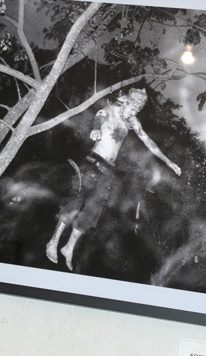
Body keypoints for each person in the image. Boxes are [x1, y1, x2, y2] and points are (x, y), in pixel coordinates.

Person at [46, 88, 180, 271]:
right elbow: (100, 116)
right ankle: (53, 242)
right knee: (75, 202)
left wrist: (169, 162)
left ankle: (69, 247)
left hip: (108, 171)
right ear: (126, 102)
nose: (133, 114)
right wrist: (95, 128)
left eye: (136, 111)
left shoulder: (132, 120)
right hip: (93, 163)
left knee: (92, 211)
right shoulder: (111, 110)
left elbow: (149, 143)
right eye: (132, 109)